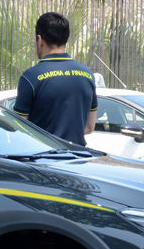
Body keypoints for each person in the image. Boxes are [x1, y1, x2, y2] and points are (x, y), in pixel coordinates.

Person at [12, 12, 98, 147]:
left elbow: (18, 128)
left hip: (42, 159)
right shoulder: (87, 75)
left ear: (39, 40)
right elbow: (89, 127)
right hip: (78, 159)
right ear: (66, 38)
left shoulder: (30, 77)